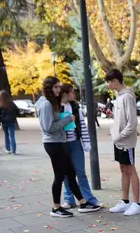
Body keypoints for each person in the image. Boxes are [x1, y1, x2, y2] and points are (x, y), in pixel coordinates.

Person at [37, 76, 99, 217]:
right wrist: (67, 120)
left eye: (59, 87)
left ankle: (83, 202)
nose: (58, 89)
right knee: (60, 176)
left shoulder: (52, 103)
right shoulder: (46, 104)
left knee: (70, 173)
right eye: (56, 87)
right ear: (49, 88)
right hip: (53, 143)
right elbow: (48, 127)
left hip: (59, 142)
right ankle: (56, 207)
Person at [105, 69, 140, 216]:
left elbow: (132, 123)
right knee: (123, 169)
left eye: (109, 82)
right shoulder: (119, 97)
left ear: (115, 81)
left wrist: (119, 136)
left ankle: (137, 203)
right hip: (119, 140)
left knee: (131, 169)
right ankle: (125, 201)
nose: (107, 85)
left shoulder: (127, 97)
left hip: (126, 142)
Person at [59, 84, 102, 211]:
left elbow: (82, 126)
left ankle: (89, 199)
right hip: (62, 144)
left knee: (80, 172)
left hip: (75, 143)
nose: (74, 95)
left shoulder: (76, 107)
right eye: (72, 92)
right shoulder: (56, 108)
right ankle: (69, 199)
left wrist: (86, 143)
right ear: (65, 94)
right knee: (66, 174)